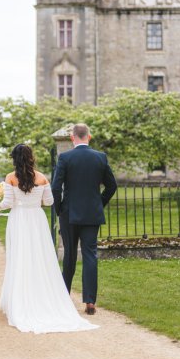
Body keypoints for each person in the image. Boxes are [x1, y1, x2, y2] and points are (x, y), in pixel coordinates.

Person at [0, 144, 97, 334]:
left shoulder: (10, 178)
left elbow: (7, 203)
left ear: (14, 158)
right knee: (40, 257)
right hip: (37, 220)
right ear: (31, 157)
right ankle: (42, 298)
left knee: (20, 257)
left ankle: (21, 300)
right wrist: (35, 199)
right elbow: (49, 202)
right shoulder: (42, 178)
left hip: (19, 220)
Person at [51, 123, 117, 315]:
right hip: (92, 214)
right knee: (90, 255)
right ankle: (89, 301)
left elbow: (56, 187)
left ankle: (64, 298)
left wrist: (60, 208)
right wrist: (99, 203)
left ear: (72, 138)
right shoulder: (100, 157)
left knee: (70, 256)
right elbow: (112, 187)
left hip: (69, 214)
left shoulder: (65, 157)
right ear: (89, 137)